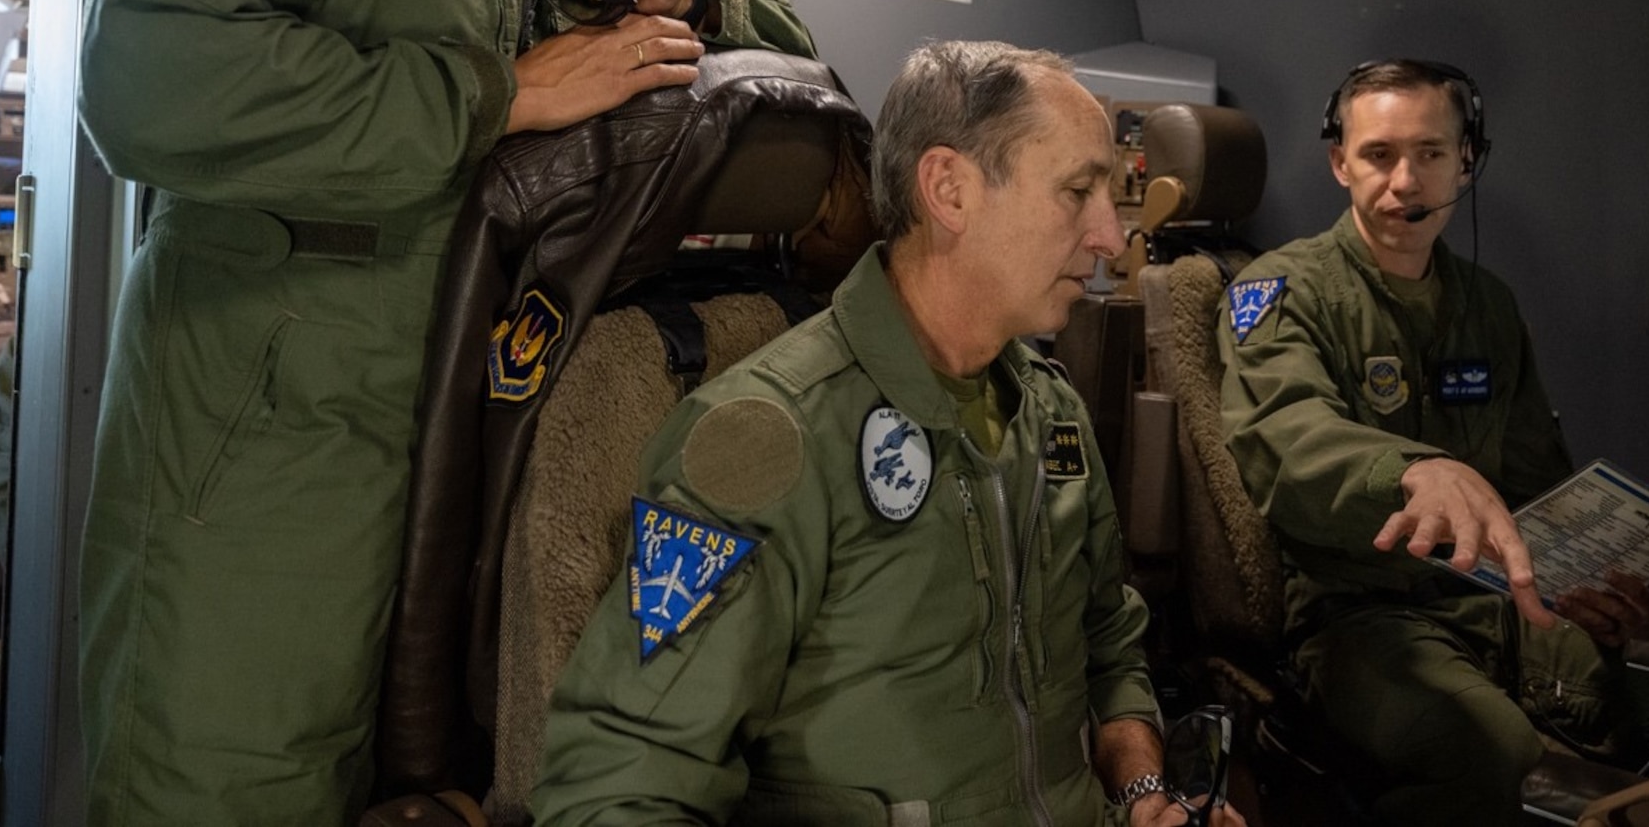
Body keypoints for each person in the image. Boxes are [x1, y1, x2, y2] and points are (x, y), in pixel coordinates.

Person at [76, 0, 815, 826]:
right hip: (266, 475)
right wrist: (501, 91)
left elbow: (804, 107)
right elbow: (150, 79)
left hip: (469, 473)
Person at [533, 41, 1244, 826]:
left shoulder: (1049, 412)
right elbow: (622, 780)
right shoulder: (767, 435)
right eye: (1078, 190)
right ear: (949, 189)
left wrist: (1143, 793)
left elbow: (1110, 642)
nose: (1111, 235)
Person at [1218, 59, 1649, 827]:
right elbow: (1287, 438)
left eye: (1428, 154)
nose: (1404, 183)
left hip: (1486, 599)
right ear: (1339, 162)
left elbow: (1533, 485)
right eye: (1379, 154)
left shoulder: (1488, 307)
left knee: (1643, 700)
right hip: (1353, 613)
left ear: (1467, 159)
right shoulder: (1283, 290)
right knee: (1490, 755)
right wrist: (1418, 470)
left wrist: (1582, 579)